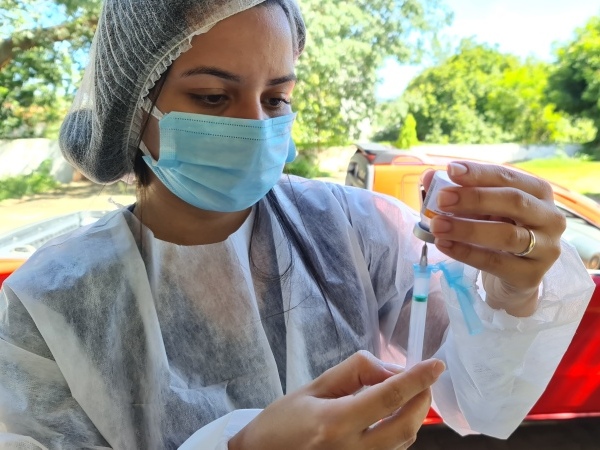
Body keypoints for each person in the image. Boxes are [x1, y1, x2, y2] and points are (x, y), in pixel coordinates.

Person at [0, 0, 594, 449]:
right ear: (133, 108)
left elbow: (480, 396)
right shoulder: (52, 305)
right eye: (212, 97)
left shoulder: (355, 232)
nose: (254, 124)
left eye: (277, 99)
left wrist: (513, 290)